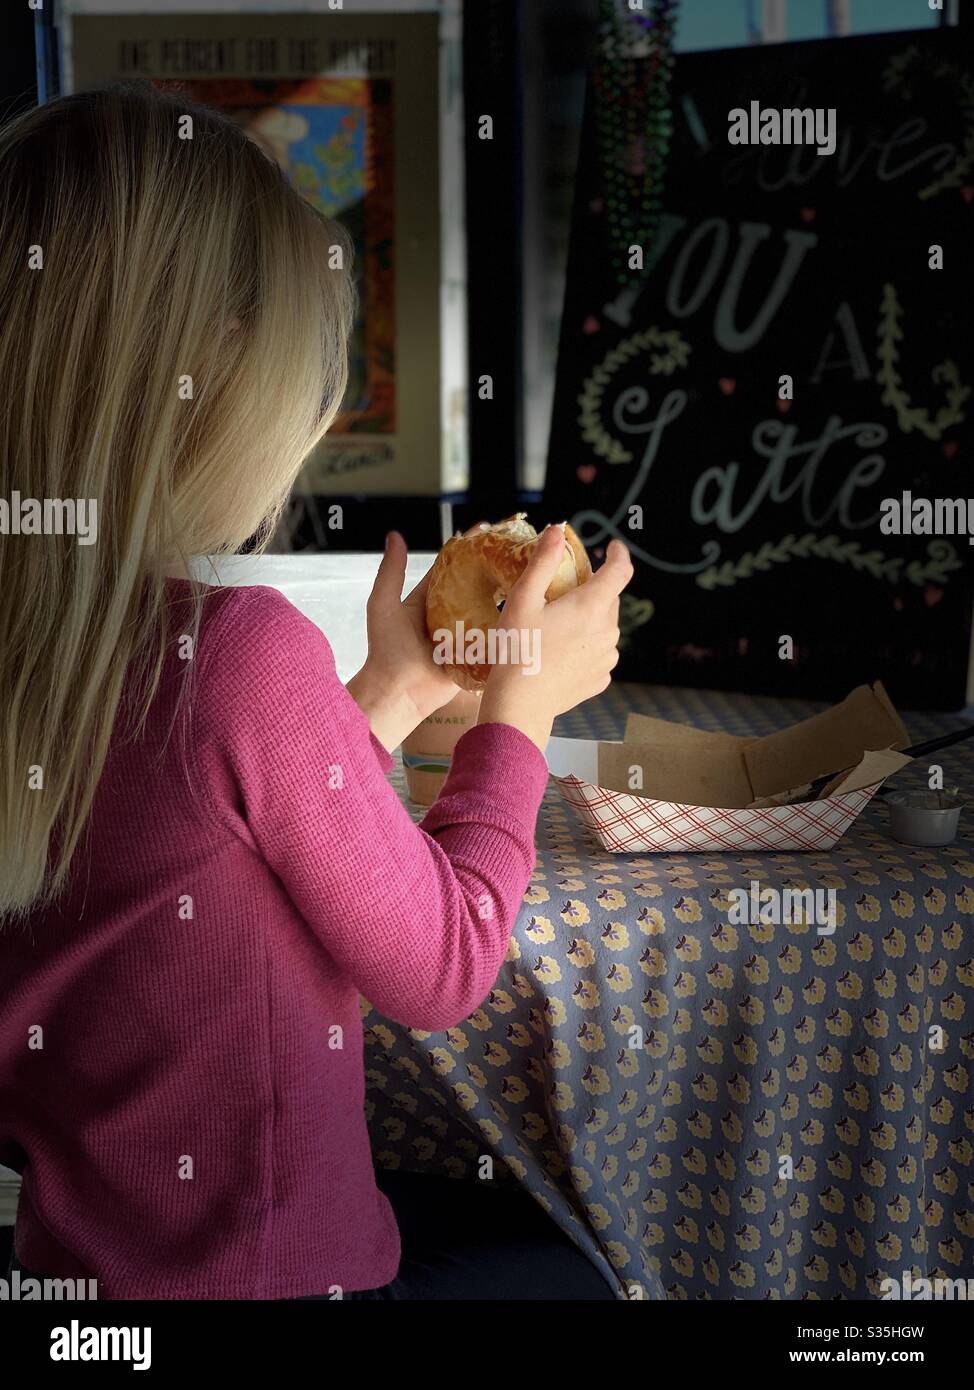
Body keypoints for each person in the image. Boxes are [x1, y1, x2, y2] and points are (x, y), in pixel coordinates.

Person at [0, 83, 631, 1300]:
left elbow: (202, 833)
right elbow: (442, 968)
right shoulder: (240, 649)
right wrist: (521, 712)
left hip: (81, 1288)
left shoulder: (64, 653)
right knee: (588, 1271)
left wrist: (388, 689)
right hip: (281, 1282)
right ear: (211, 381)